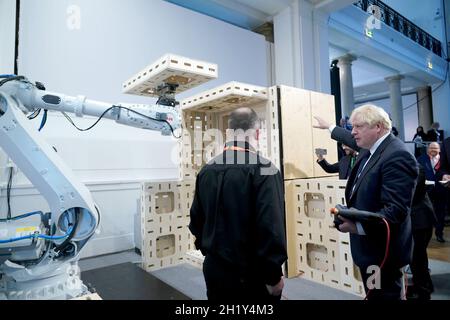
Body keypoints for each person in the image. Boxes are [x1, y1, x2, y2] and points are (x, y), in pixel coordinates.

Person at [313, 104, 418, 300]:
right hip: (369, 250)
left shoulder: (397, 155)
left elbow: (395, 211)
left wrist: (358, 226)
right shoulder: (371, 148)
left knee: (384, 296)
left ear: (378, 127)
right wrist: (329, 127)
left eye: (358, 127)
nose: (353, 133)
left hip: (383, 253)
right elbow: (347, 137)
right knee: (374, 294)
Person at [189, 107, 287, 301]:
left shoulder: (206, 170)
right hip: (251, 276)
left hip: (213, 270)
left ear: (228, 133)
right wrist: (273, 276)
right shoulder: (265, 170)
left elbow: (196, 222)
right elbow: (271, 229)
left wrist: (210, 252)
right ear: (257, 133)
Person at [407, 164, 436, 300]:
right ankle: (425, 286)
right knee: (418, 258)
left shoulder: (416, 168)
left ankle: (423, 291)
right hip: (420, 219)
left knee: (417, 258)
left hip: (420, 220)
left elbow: (411, 195)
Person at [417, 142, 447, 242]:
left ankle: (439, 234)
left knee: (440, 213)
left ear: (440, 150)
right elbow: (418, 174)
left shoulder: (444, 159)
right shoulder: (421, 159)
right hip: (426, 191)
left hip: (442, 190)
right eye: (431, 148)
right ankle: (426, 234)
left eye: (436, 148)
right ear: (427, 149)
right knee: (426, 213)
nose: (433, 150)